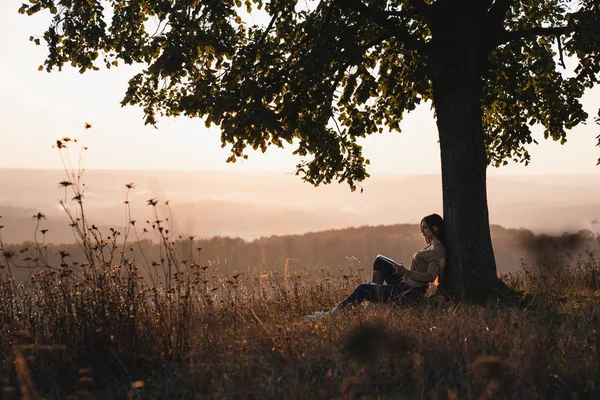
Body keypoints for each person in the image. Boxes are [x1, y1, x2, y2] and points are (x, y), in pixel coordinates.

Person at [305, 213, 446, 322]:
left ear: (435, 227)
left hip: (410, 293)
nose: (422, 231)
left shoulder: (437, 251)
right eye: (421, 228)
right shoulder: (430, 246)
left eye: (425, 227)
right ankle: (374, 302)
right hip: (405, 284)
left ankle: (330, 315)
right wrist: (403, 273)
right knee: (380, 262)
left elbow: (430, 277)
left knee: (363, 289)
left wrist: (405, 272)